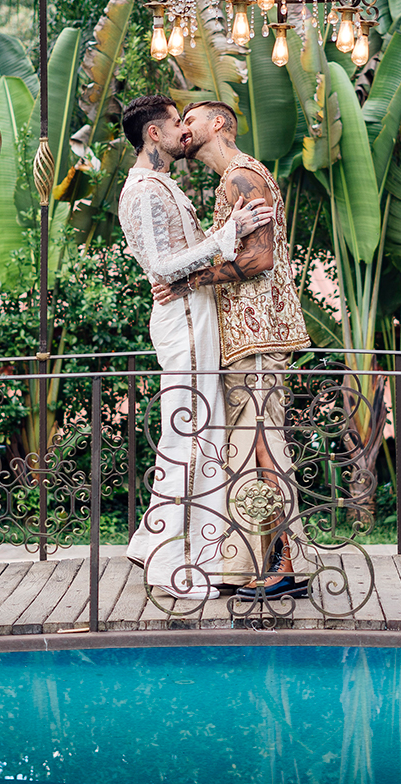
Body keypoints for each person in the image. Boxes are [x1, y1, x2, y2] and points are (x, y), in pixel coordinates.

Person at [152, 100, 313, 600]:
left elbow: (260, 258)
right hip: (244, 337)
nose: (184, 130)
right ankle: (255, 563)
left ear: (217, 124)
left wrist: (189, 279)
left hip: (259, 334)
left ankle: (291, 563)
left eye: (191, 120)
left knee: (263, 447)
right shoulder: (233, 181)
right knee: (247, 450)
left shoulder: (243, 175)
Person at [117, 95, 273, 600]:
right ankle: (171, 562)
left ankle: (173, 545)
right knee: (189, 429)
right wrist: (227, 235)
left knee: (203, 430)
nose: (184, 132)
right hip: (183, 321)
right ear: (153, 135)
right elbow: (163, 268)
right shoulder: (144, 189)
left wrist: (220, 241)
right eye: (174, 124)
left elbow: (177, 259)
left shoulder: (162, 185)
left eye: (190, 122)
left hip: (196, 317)